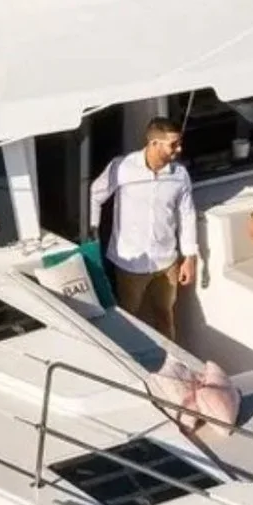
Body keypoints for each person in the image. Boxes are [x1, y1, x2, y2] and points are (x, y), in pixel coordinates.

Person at [87, 117, 198, 342]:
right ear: (154, 143)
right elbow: (95, 194)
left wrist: (190, 256)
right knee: (128, 320)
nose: (179, 148)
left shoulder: (180, 175)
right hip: (130, 263)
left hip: (166, 262)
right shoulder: (122, 167)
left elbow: (187, 214)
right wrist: (93, 229)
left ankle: (173, 363)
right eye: (174, 144)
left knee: (165, 316)